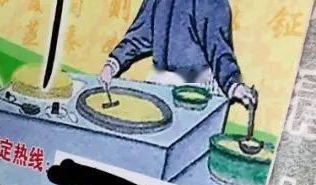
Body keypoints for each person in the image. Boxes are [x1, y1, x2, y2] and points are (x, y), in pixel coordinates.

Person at [98, 0, 257, 108]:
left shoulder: (212, 2)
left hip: (198, 86)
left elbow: (219, 48)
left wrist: (233, 85)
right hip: (160, 81)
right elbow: (140, 35)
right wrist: (113, 64)